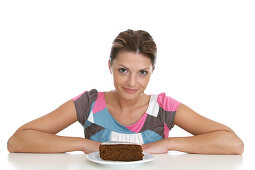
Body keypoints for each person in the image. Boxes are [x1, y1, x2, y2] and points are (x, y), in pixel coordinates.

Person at [7, 29, 244, 155]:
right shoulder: (89, 103)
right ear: (109, 66)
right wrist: (84, 144)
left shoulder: (163, 107)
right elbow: (18, 141)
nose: (132, 82)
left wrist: (169, 144)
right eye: (122, 70)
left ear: (153, 71)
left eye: (142, 72)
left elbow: (233, 144)